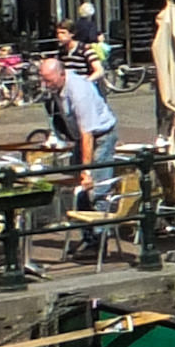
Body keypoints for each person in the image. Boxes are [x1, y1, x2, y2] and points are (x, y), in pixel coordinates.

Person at [38, 55, 121, 228]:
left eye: (49, 80)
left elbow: (87, 135)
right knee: (81, 187)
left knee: (97, 186)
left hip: (101, 136)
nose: (46, 85)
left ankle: (99, 235)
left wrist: (86, 170)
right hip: (81, 137)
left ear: (62, 74)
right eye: (44, 80)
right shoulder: (57, 86)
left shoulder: (79, 91)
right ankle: (87, 232)